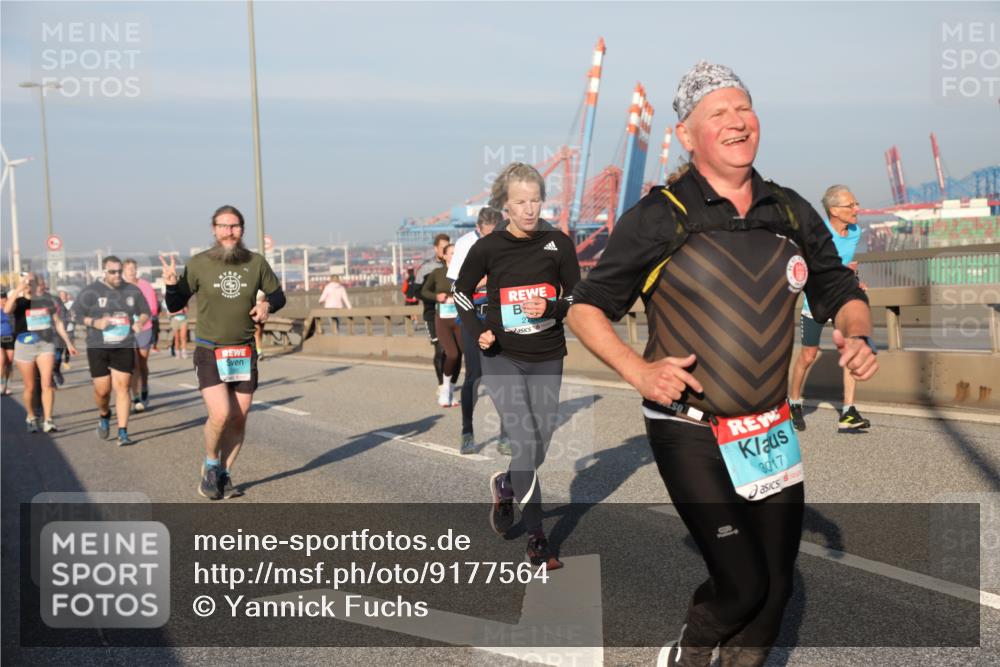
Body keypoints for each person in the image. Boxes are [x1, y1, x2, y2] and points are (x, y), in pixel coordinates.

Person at [566, 62, 878, 666]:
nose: (737, 122)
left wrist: (857, 333)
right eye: (718, 114)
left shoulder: (788, 210)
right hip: (690, 428)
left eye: (744, 109)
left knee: (775, 593)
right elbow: (585, 309)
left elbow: (838, 287)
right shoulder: (660, 215)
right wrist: (638, 370)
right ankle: (688, 651)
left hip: (768, 429)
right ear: (686, 135)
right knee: (741, 586)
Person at [454, 162, 580, 569]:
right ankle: (537, 539)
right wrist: (477, 332)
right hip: (501, 358)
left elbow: (579, 299)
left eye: (535, 200)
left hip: (547, 356)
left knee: (539, 446)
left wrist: (552, 306)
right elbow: (460, 293)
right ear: (505, 206)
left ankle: (507, 483)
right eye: (520, 202)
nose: (529, 209)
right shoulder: (488, 247)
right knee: (525, 442)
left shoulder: (558, 244)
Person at [163, 204, 285, 500]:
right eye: (223, 226)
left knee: (240, 417)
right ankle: (212, 465)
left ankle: (225, 474)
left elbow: (278, 295)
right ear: (214, 229)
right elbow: (175, 303)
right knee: (220, 414)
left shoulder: (256, 263)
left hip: (244, 351)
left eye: (234, 226)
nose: (229, 232)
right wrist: (169, 286)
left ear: (242, 229)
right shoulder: (199, 264)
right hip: (210, 350)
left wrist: (267, 304)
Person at [788, 185, 871, 432]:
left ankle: (848, 412)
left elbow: (846, 264)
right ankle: (793, 403)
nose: (857, 209)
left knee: (853, 349)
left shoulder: (854, 232)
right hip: (815, 300)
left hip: (841, 300)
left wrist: (854, 281)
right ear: (833, 210)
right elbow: (802, 269)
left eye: (857, 203)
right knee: (808, 356)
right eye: (851, 205)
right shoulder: (817, 234)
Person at [447, 206, 510, 454]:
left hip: (499, 317)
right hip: (472, 317)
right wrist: (486, 279)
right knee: (474, 377)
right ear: (478, 228)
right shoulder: (465, 244)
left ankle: (506, 435)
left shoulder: (506, 241)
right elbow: (457, 285)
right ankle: (467, 432)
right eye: (487, 236)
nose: (491, 241)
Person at [72, 256, 151, 446]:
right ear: (104, 272)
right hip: (98, 346)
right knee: (102, 392)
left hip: (123, 344)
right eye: (112, 272)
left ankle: (123, 432)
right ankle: (104, 414)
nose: (117, 275)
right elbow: (75, 314)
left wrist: (139, 322)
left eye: (119, 271)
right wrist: (94, 322)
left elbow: (145, 311)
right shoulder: (91, 290)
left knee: (123, 388)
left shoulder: (131, 290)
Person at [3, 273, 77, 432]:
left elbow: (57, 323)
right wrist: (18, 289)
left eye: (32, 282)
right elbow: (7, 309)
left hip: (45, 344)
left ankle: (48, 420)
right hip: (25, 345)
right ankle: (30, 416)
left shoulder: (46, 301)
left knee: (47, 384)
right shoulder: (19, 301)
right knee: (29, 387)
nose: (30, 285)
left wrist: (68, 343)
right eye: (27, 282)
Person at [416, 233, 458, 397]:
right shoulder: (427, 268)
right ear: (436, 249)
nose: (446, 250)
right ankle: (442, 385)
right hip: (433, 314)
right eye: (443, 248)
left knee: (454, 352)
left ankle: (450, 384)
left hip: (453, 314)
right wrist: (436, 297)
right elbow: (417, 291)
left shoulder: (456, 267)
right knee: (441, 350)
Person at [123, 258, 159, 412]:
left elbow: (153, 309)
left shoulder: (145, 286)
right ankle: (136, 396)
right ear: (124, 270)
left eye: (134, 268)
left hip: (144, 328)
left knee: (142, 363)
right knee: (133, 364)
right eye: (129, 268)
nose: (132, 271)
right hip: (126, 331)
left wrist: (141, 321)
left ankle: (144, 387)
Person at [1, 290, 15, 395]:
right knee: (1, 360)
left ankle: (7, 385)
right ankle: (1, 384)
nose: (2, 300)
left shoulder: (11, 307)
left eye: (4, 298)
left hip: (10, 336)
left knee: (9, 362)